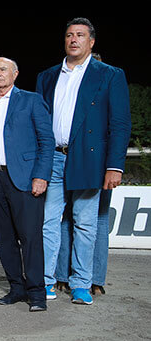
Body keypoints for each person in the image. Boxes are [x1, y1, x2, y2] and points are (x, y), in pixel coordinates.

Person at [36, 18, 131, 305]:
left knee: (85, 224)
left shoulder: (110, 75)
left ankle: (81, 284)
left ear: (91, 42)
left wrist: (114, 166)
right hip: (53, 157)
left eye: (80, 35)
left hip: (89, 159)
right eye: (69, 35)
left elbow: (120, 124)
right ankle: (46, 281)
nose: (73, 39)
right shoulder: (47, 76)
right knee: (48, 222)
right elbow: (38, 121)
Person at [0, 57, 54, 312]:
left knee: (30, 238)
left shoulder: (31, 100)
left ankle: (37, 293)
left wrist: (41, 176)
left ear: (15, 73)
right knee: (5, 239)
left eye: (3, 69)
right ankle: (16, 288)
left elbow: (46, 141)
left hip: (25, 178)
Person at [55, 54, 114, 297]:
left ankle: (93, 279)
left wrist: (112, 166)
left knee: (95, 220)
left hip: (98, 164)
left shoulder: (107, 86)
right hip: (73, 160)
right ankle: (64, 276)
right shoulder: (73, 92)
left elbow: (116, 128)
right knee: (69, 219)